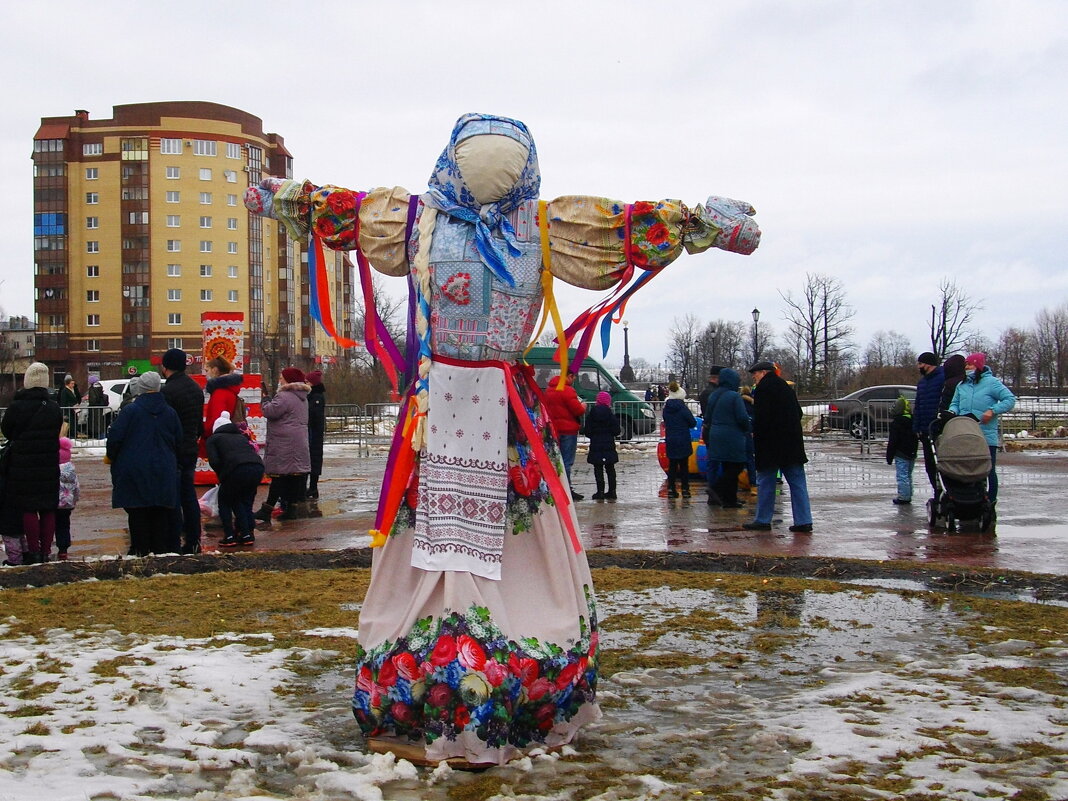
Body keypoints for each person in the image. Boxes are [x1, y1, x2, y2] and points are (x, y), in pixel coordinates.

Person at [244, 112, 759, 764]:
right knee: (486, 543)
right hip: (469, 416)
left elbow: (338, 210)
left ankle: (455, 681)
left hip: (465, 417)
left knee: (454, 543)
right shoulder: (464, 224)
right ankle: (476, 679)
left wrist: (278, 198)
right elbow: (630, 228)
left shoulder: (478, 225)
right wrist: (703, 224)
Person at [107, 370, 182, 557]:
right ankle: (159, 551)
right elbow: (178, 440)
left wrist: (113, 457)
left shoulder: (130, 411)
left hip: (134, 467)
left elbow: (115, 437)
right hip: (164, 467)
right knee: (159, 511)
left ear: (140, 388)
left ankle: (139, 550)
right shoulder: (170, 412)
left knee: (137, 511)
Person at [0, 362, 63, 564]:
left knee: (28, 509)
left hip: (22, 465)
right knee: (47, 508)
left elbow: (7, 431)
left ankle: (33, 551)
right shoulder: (54, 408)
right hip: (48, 464)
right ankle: (45, 551)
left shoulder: (17, 407)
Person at [743, 361, 813, 533]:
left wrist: (756, 434)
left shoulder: (763, 390)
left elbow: (762, 418)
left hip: (770, 446)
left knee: (766, 482)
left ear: (764, 372)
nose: (754, 377)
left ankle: (763, 519)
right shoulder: (785, 387)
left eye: (756, 373)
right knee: (797, 483)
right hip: (792, 445)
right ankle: (804, 520)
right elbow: (799, 413)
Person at [949, 352, 1016, 506]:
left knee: (988, 470)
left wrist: (992, 410)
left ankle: (990, 502)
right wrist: (952, 412)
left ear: (978, 366)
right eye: (965, 365)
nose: (966, 368)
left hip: (985, 435)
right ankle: (970, 500)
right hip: (965, 434)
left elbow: (1010, 399)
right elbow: (955, 403)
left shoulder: (992, 383)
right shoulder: (962, 385)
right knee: (967, 469)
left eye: (970, 365)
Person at [160, 348, 205, 554]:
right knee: (189, 495)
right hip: (190, 446)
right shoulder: (195, 388)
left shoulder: (168, 391)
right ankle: (194, 539)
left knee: (173, 497)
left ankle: (175, 540)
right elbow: (197, 421)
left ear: (165, 366)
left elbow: (166, 424)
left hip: (174, 448)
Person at [206, 411, 265, 547]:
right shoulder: (241, 437)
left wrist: (222, 476)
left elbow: (214, 461)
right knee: (243, 500)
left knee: (225, 501)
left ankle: (230, 535)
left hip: (236, 469)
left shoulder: (213, 439)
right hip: (257, 468)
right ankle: (247, 533)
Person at [259, 367, 311, 520]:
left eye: (282, 377)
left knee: (279, 476)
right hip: (298, 440)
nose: (280, 380)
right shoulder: (302, 396)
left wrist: (265, 400)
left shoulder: (284, 396)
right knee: (293, 476)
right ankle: (291, 509)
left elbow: (270, 412)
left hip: (283, 442)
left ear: (288, 380)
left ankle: (267, 510)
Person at [703, 367, 751, 508]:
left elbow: (708, 417)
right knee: (736, 466)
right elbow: (742, 418)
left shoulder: (714, 395)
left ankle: (730, 499)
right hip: (732, 435)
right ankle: (717, 489)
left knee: (726, 466)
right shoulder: (734, 396)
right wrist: (747, 427)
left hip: (715, 434)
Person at [543, 370, 587, 500]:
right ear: (569, 376)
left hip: (554, 429)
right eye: (573, 377)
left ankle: (555, 488)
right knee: (567, 461)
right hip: (568, 430)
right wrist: (583, 405)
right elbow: (577, 410)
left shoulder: (549, 390)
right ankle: (567, 490)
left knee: (556, 459)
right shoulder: (567, 390)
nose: (573, 380)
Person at [912, 352, 945, 498]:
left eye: (920, 364)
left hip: (938, 428)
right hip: (926, 430)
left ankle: (945, 490)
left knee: (942, 463)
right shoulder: (923, 382)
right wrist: (917, 427)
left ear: (928, 364)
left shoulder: (942, 379)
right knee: (930, 464)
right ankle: (937, 490)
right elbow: (918, 405)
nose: (918, 367)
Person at [662, 381, 696, 498]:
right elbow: (692, 422)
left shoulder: (666, 408)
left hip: (671, 438)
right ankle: (685, 489)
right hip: (683, 439)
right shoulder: (683, 408)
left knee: (672, 465)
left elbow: (666, 421)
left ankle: (671, 489)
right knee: (684, 466)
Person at [585, 391, 621, 500]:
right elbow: (617, 431)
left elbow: (587, 431)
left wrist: (594, 435)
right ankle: (612, 491)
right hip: (608, 444)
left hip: (596, 444)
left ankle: (600, 492)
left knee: (598, 468)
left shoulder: (592, 414)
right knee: (610, 468)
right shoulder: (610, 414)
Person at [202, 356, 244, 445]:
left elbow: (216, 420)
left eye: (207, 370)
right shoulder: (230, 390)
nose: (206, 374)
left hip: (217, 441)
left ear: (214, 370)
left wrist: (204, 431)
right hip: (227, 438)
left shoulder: (219, 393)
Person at [886, 395, 918, 505]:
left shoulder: (896, 423)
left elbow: (893, 441)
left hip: (901, 453)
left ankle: (904, 496)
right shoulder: (913, 421)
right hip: (911, 452)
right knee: (908, 475)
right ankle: (908, 494)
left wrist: (889, 456)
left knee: (902, 475)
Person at [55, 435, 80, 560]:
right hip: (67, 504)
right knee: (64, 525)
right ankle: (63, 549)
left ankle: (44, 546)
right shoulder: (71, 472)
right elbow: (76, 488)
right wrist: (74, 500)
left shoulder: (53, 471)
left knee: (50, 524)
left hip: (53, 502)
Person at [306, 370, 327, 499]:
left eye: (307, 382)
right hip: (313, 431)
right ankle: (312, 488)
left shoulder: (316, 397)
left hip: (315, 432)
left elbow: (313, 414)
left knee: (314, 458)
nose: (305, 384)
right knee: (312, 459)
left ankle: (313, 487)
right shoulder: (313, 396)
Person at [86, 375, 107, 439]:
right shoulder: (99, 386)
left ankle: (99, 436)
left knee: (95, 422)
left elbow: (93, 399)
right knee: (99, 422)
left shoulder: (92, 388)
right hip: (99, 407)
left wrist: (90, 402)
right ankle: (101, 435)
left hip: (94, 407)